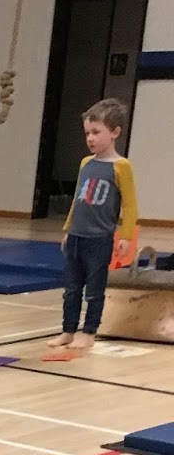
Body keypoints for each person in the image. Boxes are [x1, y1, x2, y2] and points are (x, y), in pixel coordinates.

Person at [57, 98, 138, 352]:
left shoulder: (121, 166)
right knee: (71, 289)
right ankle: (68, 330)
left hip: (99, 238)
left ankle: (89, 331)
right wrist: (68, 229)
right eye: (87, 133)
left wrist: (125, 236)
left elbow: (130, 205)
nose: (90, 138)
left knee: (94, 289)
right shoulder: (86, 163)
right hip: (77, 236)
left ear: (115, 133)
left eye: (96, 132)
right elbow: (77, 201)